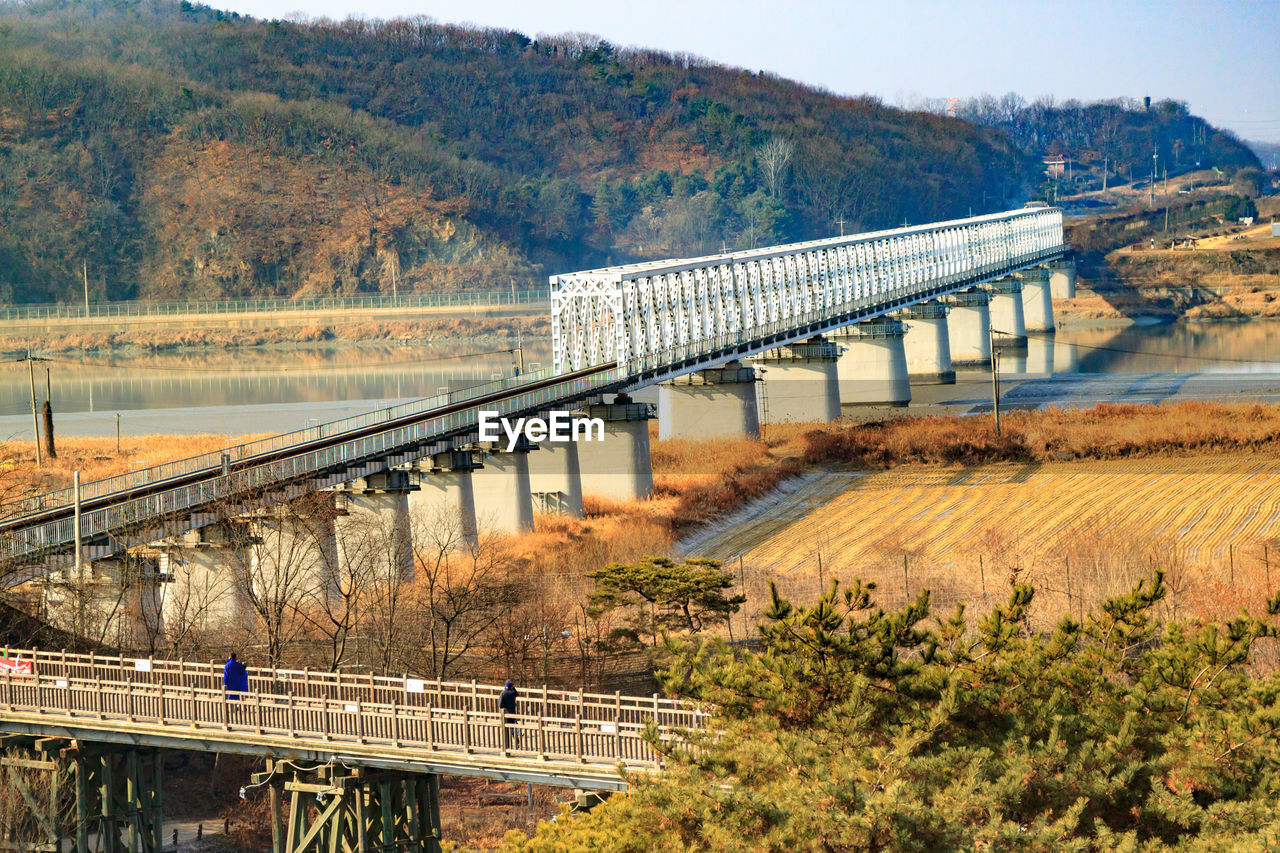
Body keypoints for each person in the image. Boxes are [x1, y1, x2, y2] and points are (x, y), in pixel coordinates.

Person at [499, 680, 519, 749]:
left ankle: (507, 744)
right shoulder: (513, 693)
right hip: (513, 712)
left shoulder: (503, 693)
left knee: (506, 728)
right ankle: (517, 743)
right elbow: (517, 694)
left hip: (506, 713)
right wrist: (513, 687)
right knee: (513, 728)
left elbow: (500, 704)